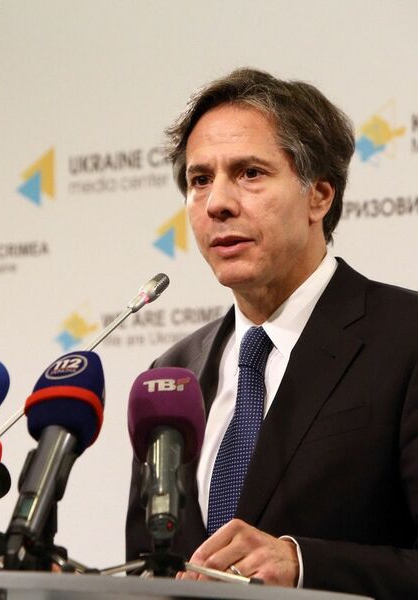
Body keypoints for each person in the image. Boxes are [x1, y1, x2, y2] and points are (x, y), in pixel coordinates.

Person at [125, 68, 418, 599]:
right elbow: (151, 566)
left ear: (319, 196)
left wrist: (304, 565)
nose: (217, 203)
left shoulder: (406, 339)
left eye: (250, 173)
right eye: (199, 179)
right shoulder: (170, 376)